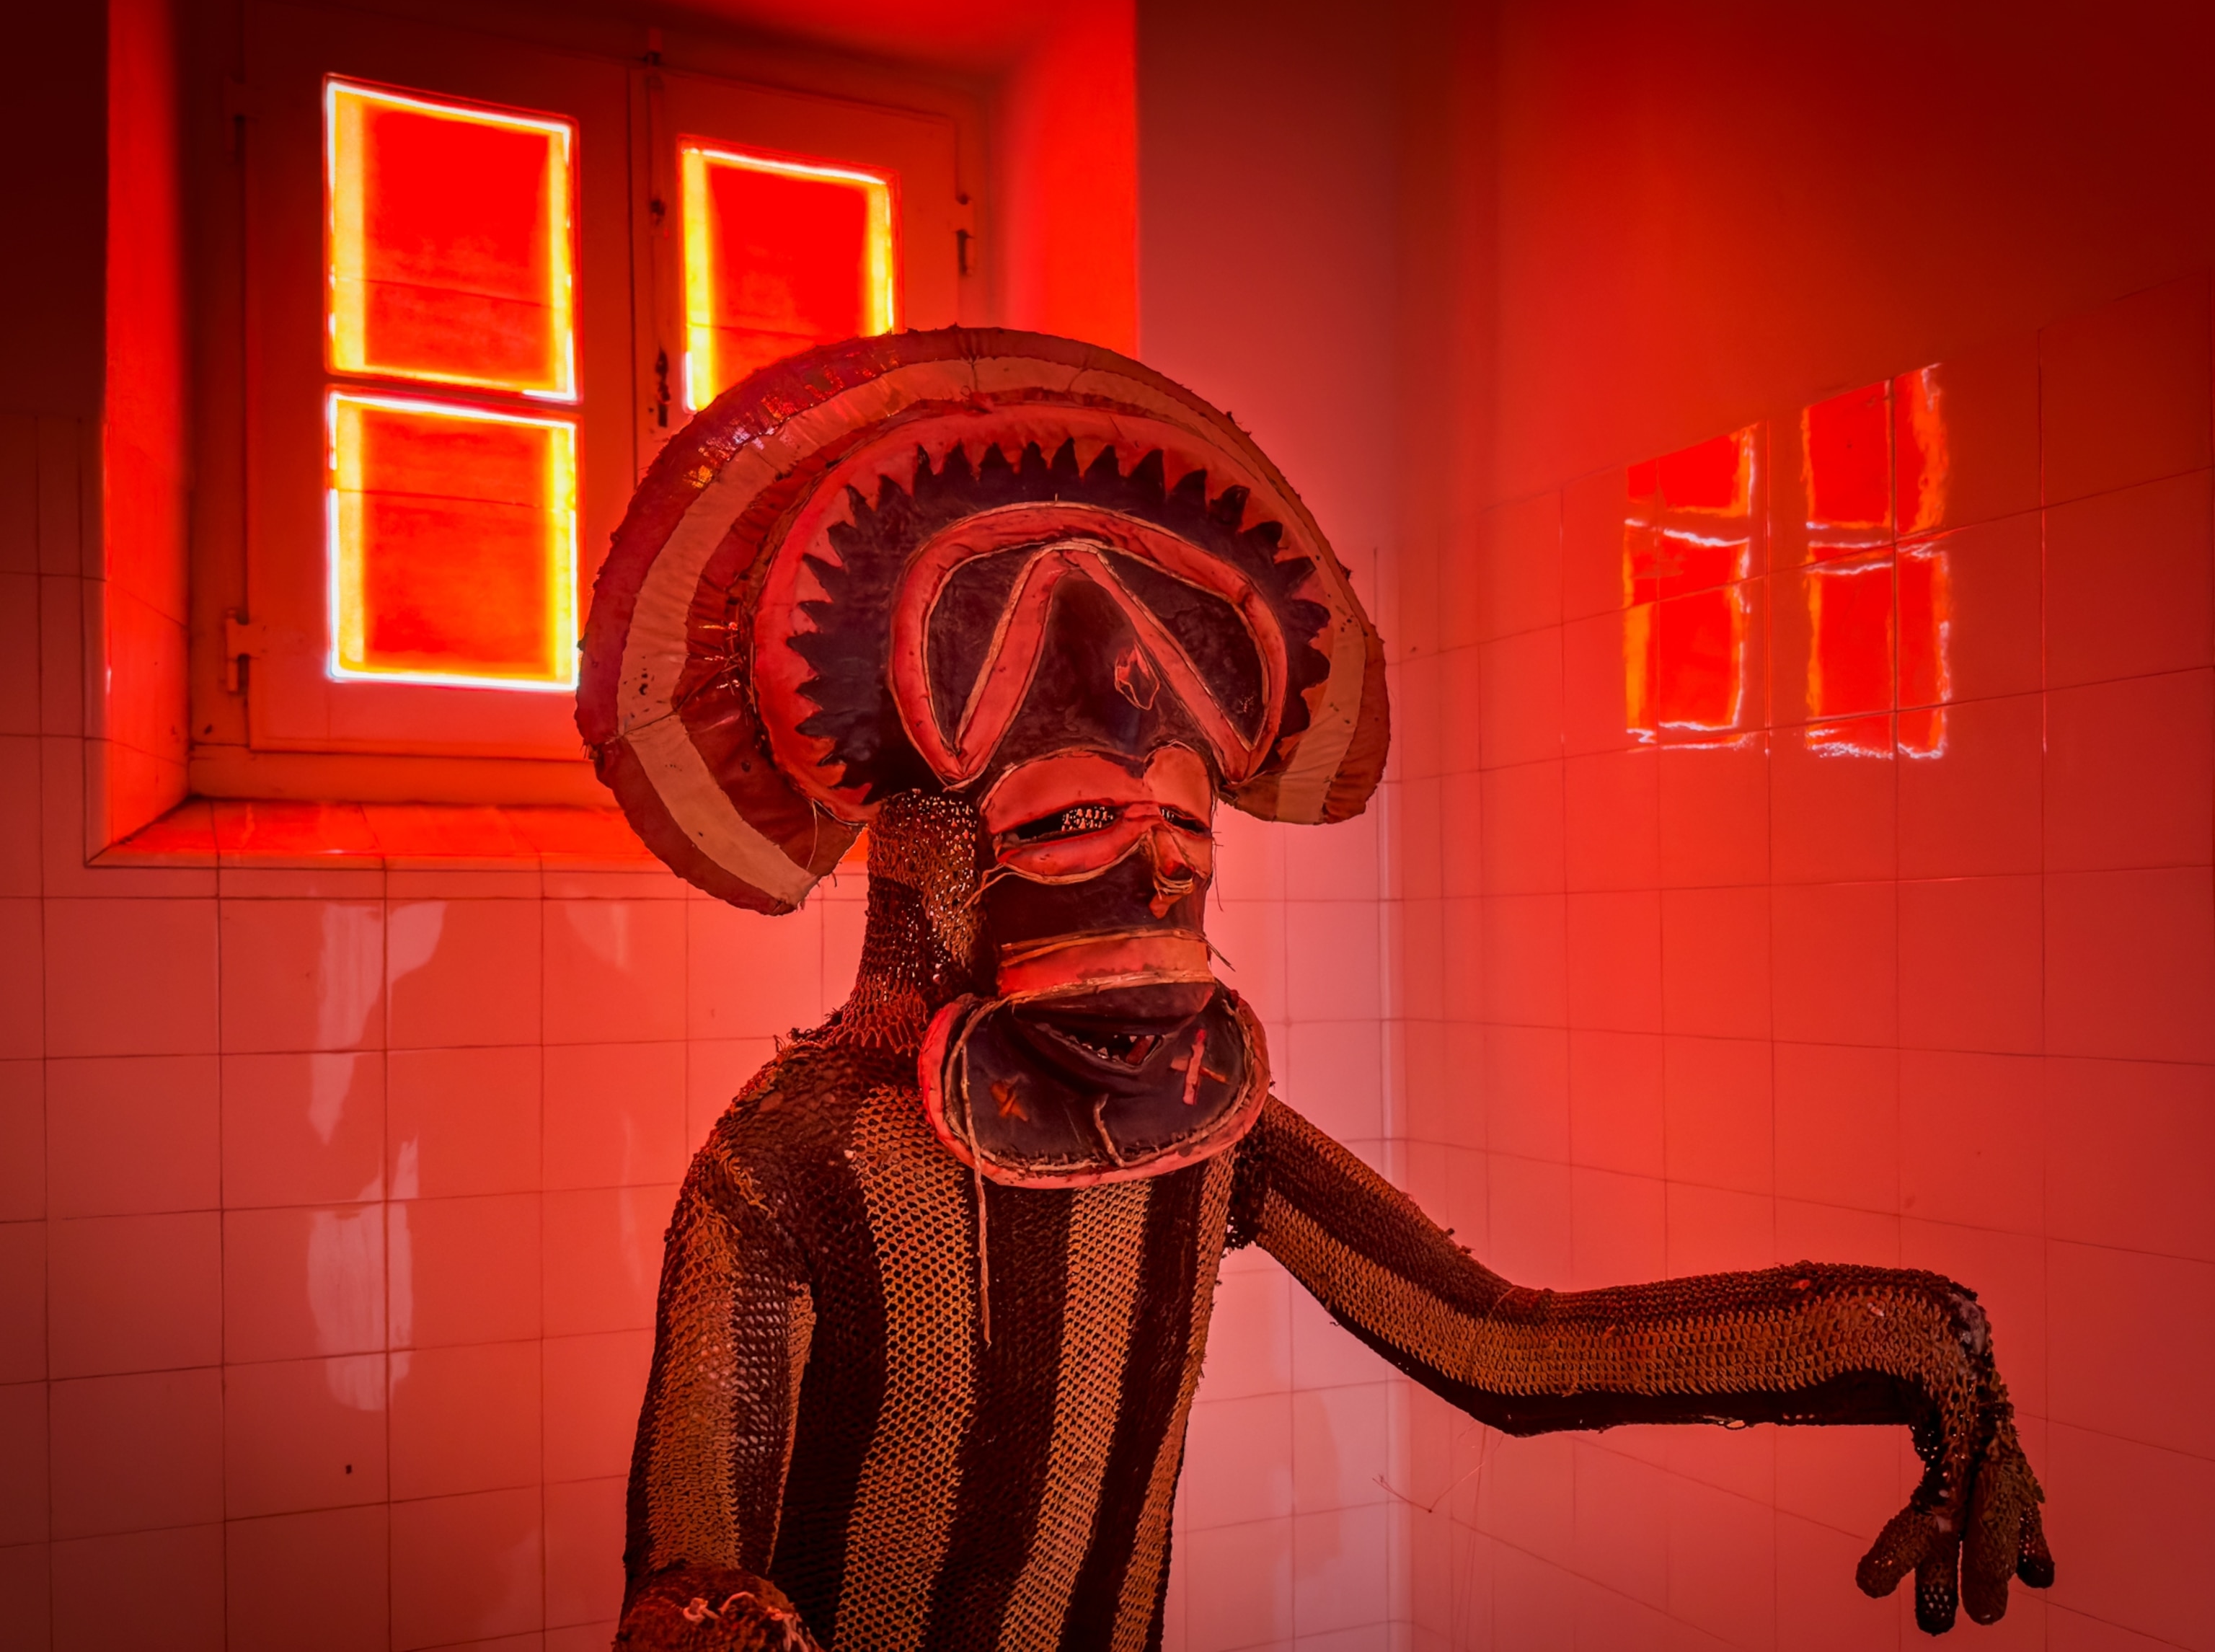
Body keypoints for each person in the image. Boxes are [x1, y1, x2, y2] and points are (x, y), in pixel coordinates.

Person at [579, 330, 2051, 1651]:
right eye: (1073, 817)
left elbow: (1503, 1346)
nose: (1163, 882)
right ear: (943, 863)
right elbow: (695, 1559)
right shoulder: (793, 1163)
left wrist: (1921, 1343)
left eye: (1190, 829)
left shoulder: (1210, 1138)